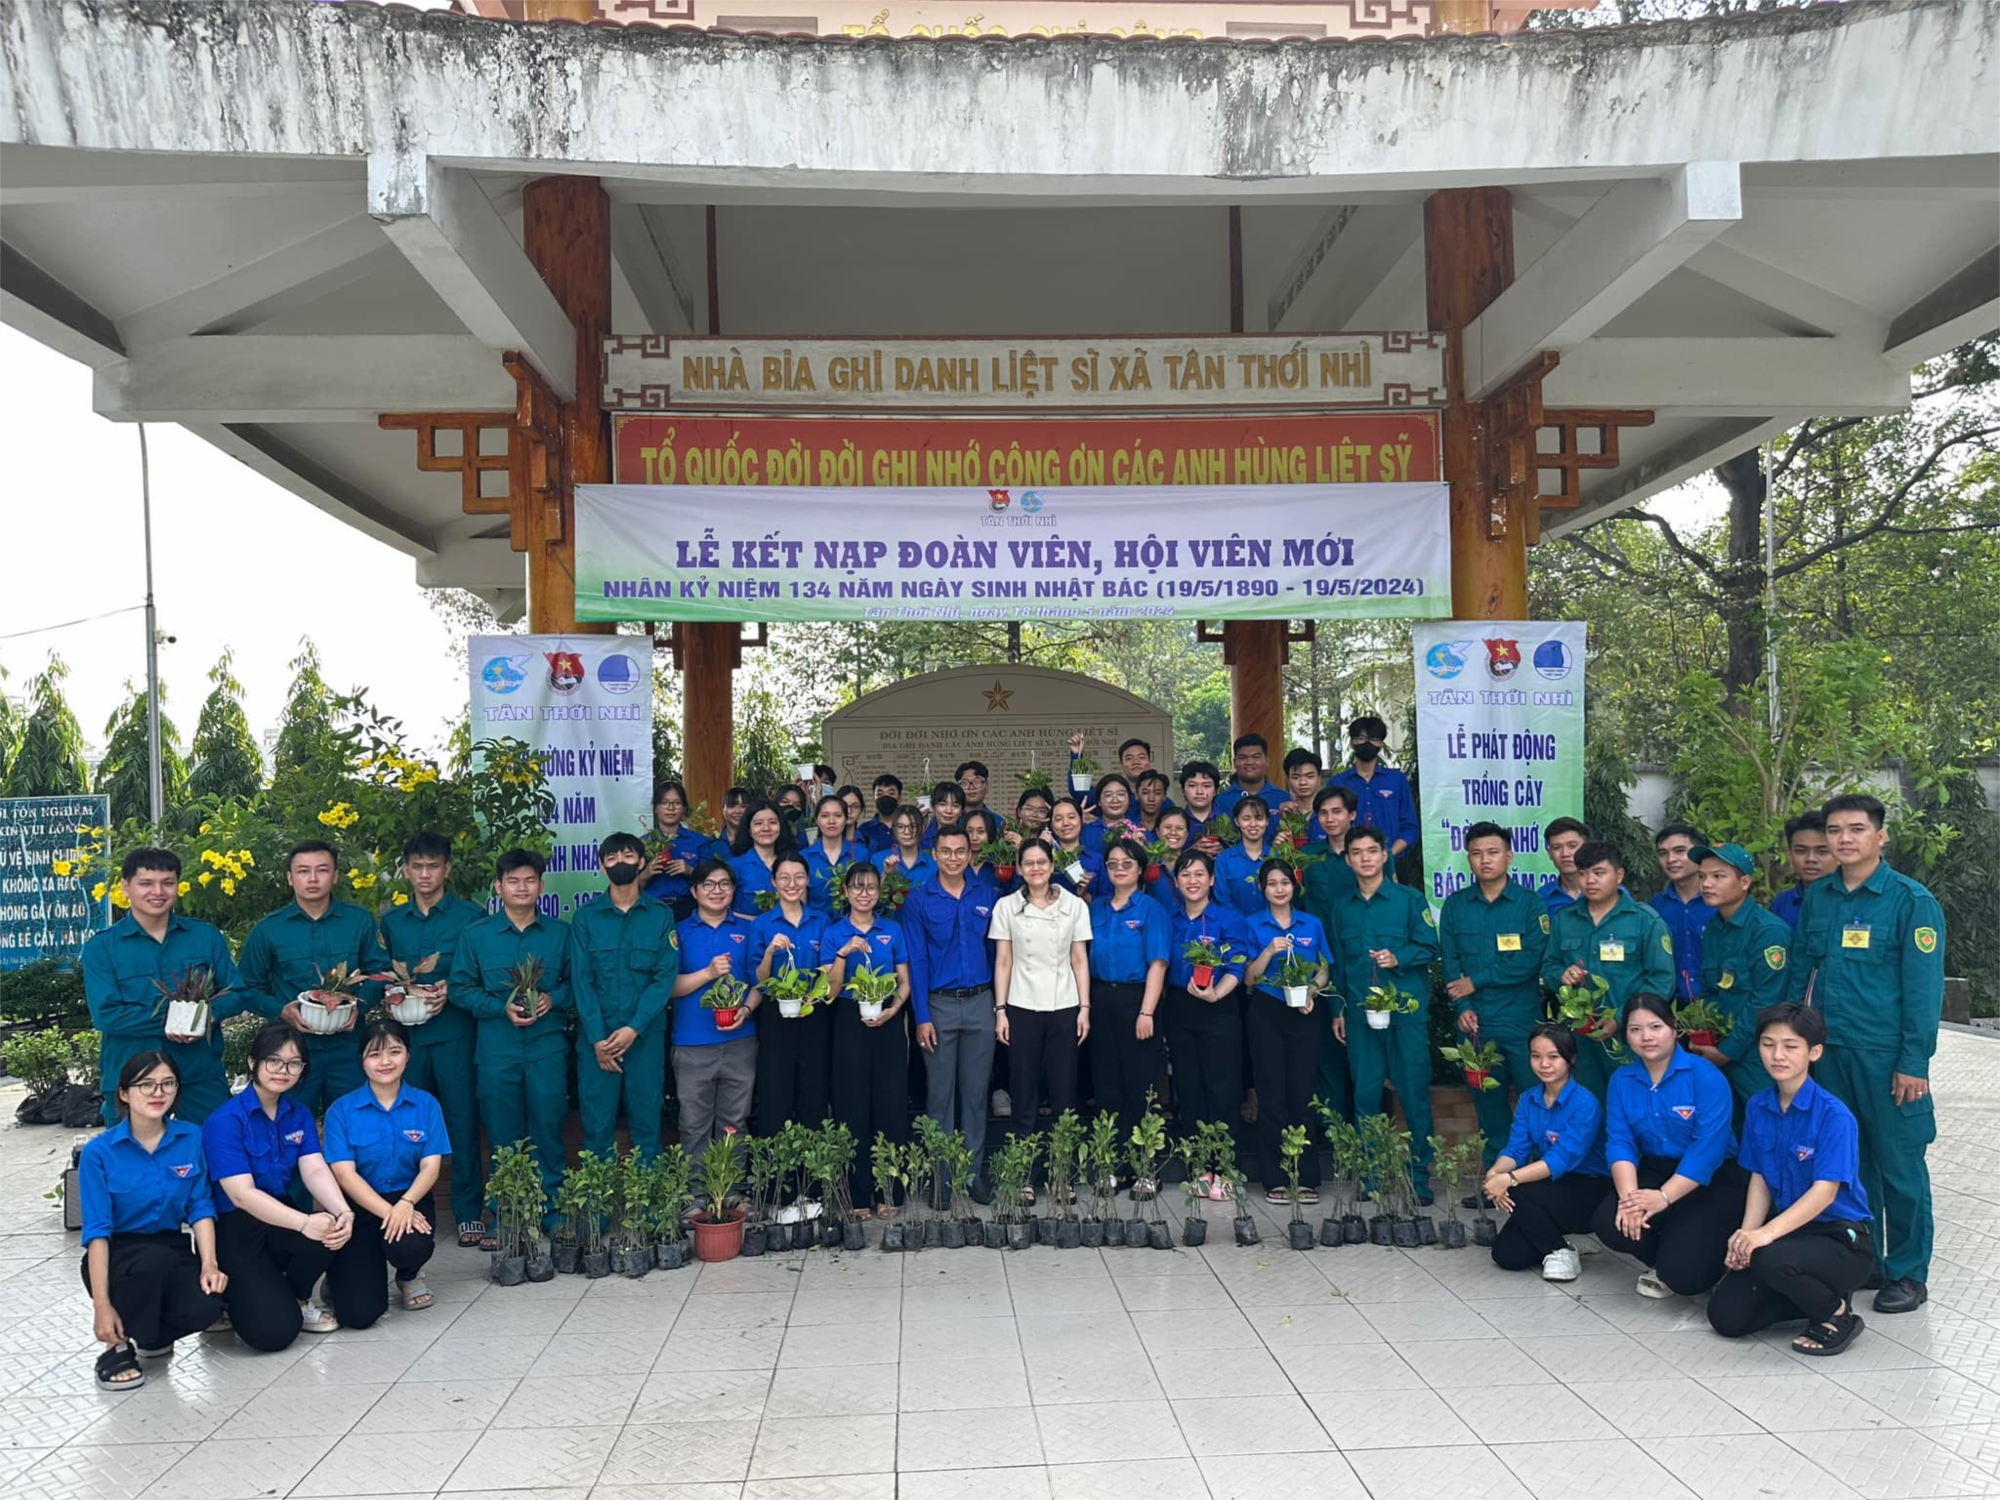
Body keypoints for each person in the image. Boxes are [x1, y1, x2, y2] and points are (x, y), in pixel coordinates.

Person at [1786, 792, 1945, 1315]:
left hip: (1886, 1055)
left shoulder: (1910, 902)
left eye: (1856, 829)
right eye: (1835, 830)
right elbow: (1802, 971)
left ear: (1881, 835)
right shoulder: (1820, 896)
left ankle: (1909, 1272)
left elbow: (1923, 991)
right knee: (1851, 1162)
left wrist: (1914, 1062)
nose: (1844, 839)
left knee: (1900, 1164)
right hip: (1831, 1053)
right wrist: (1793, 1040)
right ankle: (1869, 1259)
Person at [1708, 1003, 1875, 1353]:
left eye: (1790, 1046)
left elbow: (1824, 1193)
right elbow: (1759, 1177)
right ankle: (1809, 1298)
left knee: (1770, 1258)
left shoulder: (1834, 1115)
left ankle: (1836, 1312)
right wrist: (1746, 1237)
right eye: (1768, 1044)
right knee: (1727, 1317)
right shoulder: (1759, 1106)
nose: (1777, 1055)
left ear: (1815, 1052)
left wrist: (1764, 1236)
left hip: (1839, 1240)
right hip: (1791, 1236)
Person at [79, 1052, 227, 1391]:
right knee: (152, 1262)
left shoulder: (190, 1137)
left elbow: (200, 1206)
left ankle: (151, 1334)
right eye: (146, 1084)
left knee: (208, 1305)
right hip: (119, 1253)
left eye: (167, 1083)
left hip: (171, 1244)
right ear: (124, 1093)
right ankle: (116, 1347)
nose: (157, 1092)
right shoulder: (99, 1153)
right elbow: (98, 1232)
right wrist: (101, 1307)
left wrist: (209, 1264)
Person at [203, 1024, 353, 1349]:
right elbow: (241, 1195)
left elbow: (314, 1168)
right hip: (237, 1225)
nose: (283, 1070)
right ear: (252, 1061)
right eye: (273, 1060)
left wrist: (343, 1211)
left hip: (280, 1211)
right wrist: (304, 1222)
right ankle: (235, 1299)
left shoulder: (298, 1114)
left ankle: (298, 1297)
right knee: (273, 1334)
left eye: (294, 1063)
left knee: (331, 1231)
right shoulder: (225, 1120)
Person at [1593, 992, 1748, 1299]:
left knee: (1685, 1278)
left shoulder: (1705, 1076)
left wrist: (1664, 1197)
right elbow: (1620, 1142)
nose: (1646, 1037)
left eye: (1655, 1027)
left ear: (1674, 1028)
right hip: (1657, 1168)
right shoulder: (1622, 1080)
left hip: (1714, 1177)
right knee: (1610, 1223)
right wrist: (1630, 1200)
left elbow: (1708, 1150)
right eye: (1635, 1029)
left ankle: (1692, 1255)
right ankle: (1668, 1256)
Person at [377, 832, 487, 1247]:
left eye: (433, 866)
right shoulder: (392, 921)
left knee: (461, 1122)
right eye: (418, 866)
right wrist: (390, 993)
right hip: (407, 1042)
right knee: (408, 1125)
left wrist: (451, 989)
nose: (425, 874)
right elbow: (382, 973)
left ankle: (468, 1212)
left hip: (455, 1034)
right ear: (406, 870)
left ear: (447, 869)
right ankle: (411, 1211)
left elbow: (482, 971)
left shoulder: (471, 916)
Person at [448, 849, 573, 1209]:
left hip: (546, 1048)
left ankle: (552, 1211)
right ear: (498, 887)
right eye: (513, 881)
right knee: (502, 1137)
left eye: (530, 880)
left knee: (548, 1130)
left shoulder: (560, 934)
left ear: (541, 886)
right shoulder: (477, 935)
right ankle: (508, 1215)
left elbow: (578, 984)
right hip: (496, 1051)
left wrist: (553, 998)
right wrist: (499, 1008)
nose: (522, 887)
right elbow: (459, 988)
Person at [82, 846, 241, 1126]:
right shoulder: (102, 947)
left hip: (199, 1074)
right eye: (146, 883)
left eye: (167, 882)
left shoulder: (205, 937)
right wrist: (173, 1021)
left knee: (214, 1147)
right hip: (133, 1078)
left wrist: (205, 1016)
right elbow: (106, 1015)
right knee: (133, 1153)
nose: (158, 891)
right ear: (126, 887)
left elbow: (237, 992)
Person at [1326, 826, 1442, 1200]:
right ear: (1348, 860)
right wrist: (1338, 1009)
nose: (1365, 858)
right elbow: (1338, 965)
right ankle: (1373, 1175)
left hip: (1405, 1014)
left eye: (1372, 851)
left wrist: (1399, 957)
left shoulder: (1409, 900)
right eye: (1357, 852)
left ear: (1384, 855)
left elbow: (1431, 948)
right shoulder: (1341, 907)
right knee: (1365, 1095)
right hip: (1361, 1016)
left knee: (1413, 1093)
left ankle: (1419, 1177)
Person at [238, 841, 387, 1114]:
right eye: (303, 871)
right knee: (288, 1122)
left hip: (347, 1046)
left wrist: (361, 1006)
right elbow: (246, 987)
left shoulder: (358, 921)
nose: (313, 878)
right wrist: (280, 1011)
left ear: (335, 875)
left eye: (322, 870)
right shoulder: (269, 929)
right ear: (290, 878)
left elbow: (380, 972)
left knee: (354, 1121)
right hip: (291, 1050)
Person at [1439, 823, 1551, 1167]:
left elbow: (1530, 961)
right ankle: (1497, 1179)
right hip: (1476, 1026)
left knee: (1537, 1101)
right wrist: (1463, 1006)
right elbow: (1451, 963)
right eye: (1476, 853)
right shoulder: (1456, 906)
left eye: (1493, 852)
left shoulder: (1530, 904)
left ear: (1509, 856)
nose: (1485, 860)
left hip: (1521, 1023)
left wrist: (1476, 981)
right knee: (1489, 1109)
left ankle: (1541, 1177)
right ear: (1468, 858)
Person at [322, 1018, 447, 1325]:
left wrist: (406, 1204)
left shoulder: (426, 1105)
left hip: (410, 1198)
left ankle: (408, 1275)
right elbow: (344, 1175)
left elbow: (431, 1166)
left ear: (408, 1055)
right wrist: (391, 1213)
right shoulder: (341, 1110)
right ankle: (342, 1277)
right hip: (359, 1205)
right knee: (359, 1315)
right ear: (362, 1060)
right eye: (375, 1054)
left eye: (394, 1051)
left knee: (411, 1246)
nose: (385, 1062)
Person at [989, 840, 1093, 1189]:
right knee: (1024, 1093)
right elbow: (1004, 961)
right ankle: (1025, 1175)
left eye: (1042, 862)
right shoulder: (1006, 906)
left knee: (1064, 1094)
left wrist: (1084, 1008)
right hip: (1021, 1005)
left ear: (1052, 866)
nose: (1036, 868)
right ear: (1019, 869)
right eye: (1029, 863)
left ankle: (1063, 1175)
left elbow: (1079, 959)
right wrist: (1001, 1011)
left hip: (1064, 1005)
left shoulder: (1073, 905)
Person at [570, 833, 680, 1160]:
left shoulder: (660, 915)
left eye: (628, 855)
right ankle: (598, 1196)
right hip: (598, 1041)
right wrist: (597, 1039)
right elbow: (581, 981)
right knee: (597, 1129)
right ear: (602, 866)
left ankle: (649, 1195)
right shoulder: (586, 917)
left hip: (644, 1038)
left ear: (642, 862)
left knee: (648, 1128)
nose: (620, 862)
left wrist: (633, 1028)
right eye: (612, 857)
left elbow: (664, 978)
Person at [905, 828, 1000, 1198]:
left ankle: (972, 1175)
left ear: (970, 854)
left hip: (980, 1002)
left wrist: (998, 1004)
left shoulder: (987, 894)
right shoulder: (919, 900)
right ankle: (941, 1178)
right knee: (940, 1096)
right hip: (939, 1005)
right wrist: (921, 1016)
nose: (954, 858)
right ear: (934, 854)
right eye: (946, 851)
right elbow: (917, 960)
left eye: (961, 851)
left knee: (976, 1094)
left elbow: (996, 953)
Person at [1542, 841, 1675, 1101]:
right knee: (1587, 1105)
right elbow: (1549, 966)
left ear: (1619, 875)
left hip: (1629, 1037)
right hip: (1580, 1037)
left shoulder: (1644, 920)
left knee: (1634, 1103)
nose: (1590, 880)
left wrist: (1622, 1019)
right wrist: (1561, 976)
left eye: (1599, 873)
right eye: (1583, 873)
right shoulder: (1565, 919)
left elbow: (1661, 980)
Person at [1483, 1024, 1611, 1282]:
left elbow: (1559, 1160)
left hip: (1591, 1189)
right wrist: (1495, 1173)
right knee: (1507, 1255)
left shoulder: (1585, 1104)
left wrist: (1509, 1180)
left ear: (1570, 1058)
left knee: (1518, 1188)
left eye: (1553, 1057)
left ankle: (1561, 1252)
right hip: (1551, 1186)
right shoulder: (1528, 1099)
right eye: (1536, 1056)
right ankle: (1564, 1241)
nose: (1544, 1064)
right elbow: (1516, 1149)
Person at [824, 863, 911, 1217]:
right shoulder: (834, 933)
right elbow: (829, 991)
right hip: (849, 1019)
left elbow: (904, 980)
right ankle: (857, 1195)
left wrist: (894, 1009)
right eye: (857, 887)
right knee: (852, 1105)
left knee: (890, 1104)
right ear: (845, 892)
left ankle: (887, 1191)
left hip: (888, 1020)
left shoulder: (892, 929)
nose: (864, 893)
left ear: (879, 891)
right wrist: (843, 953)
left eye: (871, 887)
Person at [1243, 861, 1330, 1202]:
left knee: (1302, 1093)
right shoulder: (1252, 924)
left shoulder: (1312, 923)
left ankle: (1306, 1177)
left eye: (1285, 883)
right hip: (1266, 1011)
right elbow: (1249, 978)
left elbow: (1324, 969)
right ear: (1262, 889)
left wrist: (1311, 991)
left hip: (1303, 1010)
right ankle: (1275, 1178)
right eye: (1272, 883)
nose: (1279, 889)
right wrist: (1269, 951)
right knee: (1272, 1095)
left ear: (1295, 886)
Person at [1683, 844, 1789, 1107]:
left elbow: (1766, 1003)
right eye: (1702, 876)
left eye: (1718, 876)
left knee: (1765, 1117)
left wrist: (1727, 1051)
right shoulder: (1713, 928)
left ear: (1744, 882)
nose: (1707, 884)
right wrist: (1706, 1038)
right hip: (1717, 1049)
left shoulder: (1768, 932)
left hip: (1756, 1053)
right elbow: (1709, 990)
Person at [669, 858, 759, 1161]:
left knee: (735, 1124)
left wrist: (746, 1009)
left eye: (724, 884)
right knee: (693, 1126)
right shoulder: (678, 932)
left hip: (740, 1042)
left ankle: (732, 1186)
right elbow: (668, 987)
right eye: (708, 884)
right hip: (692, 1043)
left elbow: (760, 982)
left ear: (733, 890)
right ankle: (695, 1189)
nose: (716, 890)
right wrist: (708, 973)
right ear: (694, 891)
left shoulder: (749, 930)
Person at [1087, 838, 1170, 1162]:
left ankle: (1145, 1165)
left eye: (1127, 864)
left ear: (1140, 869)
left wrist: (1146, 1012)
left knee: (1140, 1084)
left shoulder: (1151, 909)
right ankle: (1112, 1163)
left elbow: (1158, 964)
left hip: (1137, 1000)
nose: (1119, 869)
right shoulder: (1096, 908)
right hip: (1100, 997)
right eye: (1113, 864)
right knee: (1106, 1083)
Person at [1163, 850, 1249, 1148]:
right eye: (1185, 874)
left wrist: (1216, 994)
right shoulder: (1169, 919)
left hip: (1219, 1008)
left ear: (1211, 879)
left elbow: (1237, 967)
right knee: (1188, 1086)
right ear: (1176, 881)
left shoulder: (1229, 919)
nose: (1192, 881)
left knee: (1222, 1086)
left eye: (1199, 874)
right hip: (1179, 1008)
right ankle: (1197, 1160)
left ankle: (1224, 1162)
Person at [750, 851, 834, 1137]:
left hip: (814, 1012)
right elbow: (758, 980)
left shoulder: (822, 921)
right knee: (775, 1089)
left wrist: (813, 997)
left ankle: (814, 1160)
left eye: (798, 877)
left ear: (807, 880)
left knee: (814, 1088)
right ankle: (775, 1160)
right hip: (775, 1015)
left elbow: (829, 971)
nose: (792, 884)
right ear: (773, 882)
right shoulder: (761, 924)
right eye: (784, 877)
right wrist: (770, 952)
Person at [1299, 785, 1363, 1123]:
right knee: (1326, 1045)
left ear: (1352, 814)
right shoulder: (1308, 855)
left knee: (1365, 1045)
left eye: (1337, 811)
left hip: (1362, 955)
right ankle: (1333, 1127)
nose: (1330, 818)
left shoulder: (1369, 852)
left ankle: (1365, 1127)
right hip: (1320, 959)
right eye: (1323, 813)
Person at [1330, 716, 1417, 858]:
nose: (1367, 743)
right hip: (1348, 862)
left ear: (1381, 744)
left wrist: (1388, 855)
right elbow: (1331, 825)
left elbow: (1410, 828)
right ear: (1352, 742)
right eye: (1361, 738)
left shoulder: (1397, 780)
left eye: (1373, 739)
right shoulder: (1337, 783)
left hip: (1393, 861)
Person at [1651, 823, 1715, 1003]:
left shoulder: (1719, 902)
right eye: (1663, 853)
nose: (1671, 859)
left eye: (1680, 851)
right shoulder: (1656, 907)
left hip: (1714, 1004)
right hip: (1668, 1004)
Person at [644, 779, 714, 919]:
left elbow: (712, 880)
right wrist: (647, 873)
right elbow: (631, 886)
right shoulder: (644, 843)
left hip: (689, 909)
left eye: (677, 803)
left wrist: (690, 871)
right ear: (656, 808)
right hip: (652, 909)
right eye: (664, 803)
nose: (671, 808)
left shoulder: (699, 841)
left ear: (684, 808)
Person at [801, 794, 866, 915]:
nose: (831, 821)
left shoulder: (861, 853)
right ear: (817, 820)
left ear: (846, 819)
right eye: (825, 816)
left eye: (838, 815)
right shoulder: (805, 857)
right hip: (816, 925)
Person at [728, 800, 792, 917]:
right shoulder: (734, 866)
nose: (766, 828)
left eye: (772, 822)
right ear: (749, 829)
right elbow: (724, 911)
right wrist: (759, 923)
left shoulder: (792, 864)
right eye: (758, 823)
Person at [1214, 797, 1276, 916]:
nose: (1253, 824)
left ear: (1267, 821)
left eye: (1259, 818)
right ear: (1237, 821)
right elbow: (1222, 899)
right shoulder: (1225, 859)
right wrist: (1240, 922)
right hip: (1234, 924)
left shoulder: (1277, 856)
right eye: (1246, 819)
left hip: (1271, 925)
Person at [1770, 810, 1831, 929]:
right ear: (1789, 855)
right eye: (1801, 851)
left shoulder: (1854, 901)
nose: (1811, 859)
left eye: (1822, 851)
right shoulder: (1781, 903)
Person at [1215, 733, 1287, 817]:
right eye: (1243, 757)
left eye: (1256, 757)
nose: (1249, 762)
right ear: (1234, 763)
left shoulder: (1284, 799)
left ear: (1267, 761)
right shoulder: (1220, 802)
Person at [1046, 796, 1104, 898]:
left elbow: (1106, 899)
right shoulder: (1044, 860)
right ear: (1051, 825)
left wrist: (1084, 894)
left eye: (1071, 817)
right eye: (1058, 819)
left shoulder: (1097, 859)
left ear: (1081, 820)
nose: (1066, 823)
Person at [877, 803, 938, 890]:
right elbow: (871, 895)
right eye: (900, 827)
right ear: (894, 829)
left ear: (923, 828)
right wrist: (886, 874)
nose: (907, 832)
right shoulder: (878, 859)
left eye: (913, 826)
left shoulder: (934, 864)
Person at [1538, 817, 1591, 917]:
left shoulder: (1611, 893)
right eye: (1557, 847)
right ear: (1549, 854)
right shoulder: (1542, 897)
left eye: (1572, 846)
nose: (1565, 854)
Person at [1081, 774, 1144, 854]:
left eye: (1121, 794)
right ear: (1099, 801)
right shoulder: (1085, 832)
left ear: (1129, 799)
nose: (1115, 800)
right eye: (1108, 795)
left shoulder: (1140, 831)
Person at [1144, 808, 1191, 915]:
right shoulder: (1147, 864)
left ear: (1186, 834)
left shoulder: (1194, 865)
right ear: (1157, 831)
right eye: (1167, 827)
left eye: (1179, 828)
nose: (1173, 832)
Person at [956, 759, 1006, 834]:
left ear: (986, 785)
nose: (971, 788)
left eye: (977, 782)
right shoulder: (950, 818)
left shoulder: (998, 822)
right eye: (965, 783)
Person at [858, 773, 904, 855]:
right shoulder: (864, 830)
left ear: (900, 797)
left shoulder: (908, 828)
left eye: (891, 793)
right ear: (874, 797)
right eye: (880, 794)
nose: (885, 797)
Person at [1178, 760, 1223, 844]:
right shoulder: (1176, 822)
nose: (1199, 792)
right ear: (1183, 790)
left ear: (1215, 790)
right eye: (1192, 785)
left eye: (1206, 786)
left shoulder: (1226, 819)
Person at [1278, 748, 1323, 816]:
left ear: (1319, 779)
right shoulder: (1283, 813)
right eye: (1296, 777)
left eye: (1310, 776)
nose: (1303, 782)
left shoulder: (1330, 814)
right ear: (1288, 781)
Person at [922, 782, 968, 848]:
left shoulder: (968, 837)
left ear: (962, 811)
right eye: (942, 804)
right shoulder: (922, 839)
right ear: (933, 807)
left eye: (955, 805)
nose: (949, 811)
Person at [715, 785, 751, 857]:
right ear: (723, 810)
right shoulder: (712, 843)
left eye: (743, 806)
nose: (737, 811)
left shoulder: (758, 840)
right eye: (731, 806)